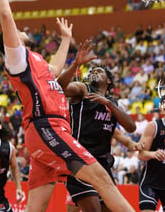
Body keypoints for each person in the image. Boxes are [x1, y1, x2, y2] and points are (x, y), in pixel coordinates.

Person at [0, 0, 135, 212]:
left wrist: (67, 40)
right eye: (16, 31)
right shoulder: (15, 58)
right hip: (48, 127)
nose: (21, 31)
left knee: (35, 208)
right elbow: (5, 15)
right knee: (103, 180)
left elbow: (54, 70)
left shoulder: (34, 60)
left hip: (45, 134)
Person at [57, 50, 142, 211]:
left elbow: (131, 127)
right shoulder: (83, 89)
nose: (94, 72)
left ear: (109, 80)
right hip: (79, 159)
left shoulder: (112, 103)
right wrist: (75, 64)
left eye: (99, 71)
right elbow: (58, 87)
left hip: (102, 164)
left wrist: (109, 104)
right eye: (92, 71)